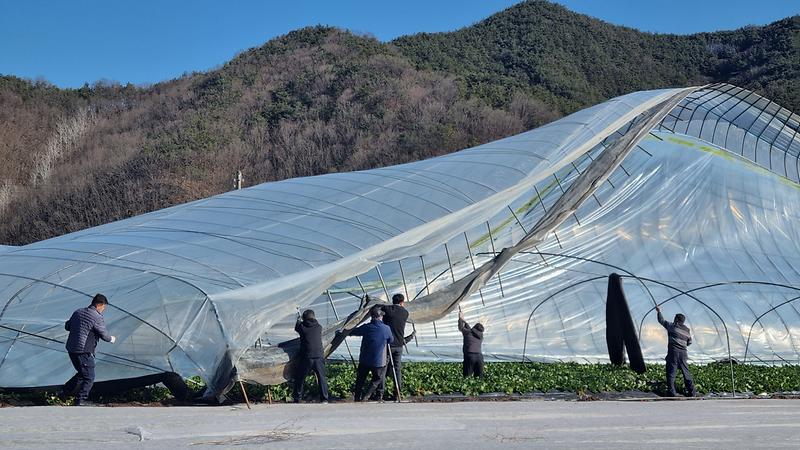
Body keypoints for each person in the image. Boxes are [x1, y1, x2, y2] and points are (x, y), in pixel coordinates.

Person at [63, 293, 116, 406]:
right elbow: (104, 335)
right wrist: (112, 339)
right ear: (99, 304)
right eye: (104, 307)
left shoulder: (78, 312)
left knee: (82, 374)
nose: (104, 309)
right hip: (83, 350)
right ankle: (80, 400)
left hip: (71, 349)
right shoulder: (96, 317)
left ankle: (64, 393)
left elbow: (67, 326)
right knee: (89, 376)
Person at [349, 305, 393, 402]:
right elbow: (391, 340)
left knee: (360, 379)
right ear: (380, 317)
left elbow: (352, 332)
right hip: (378, 361)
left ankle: (357, 397)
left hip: (364, 359)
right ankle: (366, 396)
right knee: (377, 379)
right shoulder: (386, 328)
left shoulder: (366, 327)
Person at [656, 305, 697, 397]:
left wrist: (659, 311)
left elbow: (661, 321)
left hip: (674, 352)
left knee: (671, 371)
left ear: (676, 319)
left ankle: (672, 392)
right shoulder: (687, 330)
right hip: (683, 353)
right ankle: (692, 392)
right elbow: (689, 342)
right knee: (685, 372)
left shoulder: (672, 326)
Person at [381, 293, 415, 396]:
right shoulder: (405, 313)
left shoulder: (388, 310)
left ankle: (380, 392)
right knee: (397, 369)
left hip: (388, 345)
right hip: (399, 345)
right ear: (402, 302)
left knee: (383, 368)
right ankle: (397, 392)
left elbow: (382, 307)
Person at [292, 309, 330, 403]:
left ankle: (297, 398)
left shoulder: (302, 327)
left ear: (304, 318)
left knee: (300, 377)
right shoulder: (319, 327)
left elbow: (296, 327)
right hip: (318, 356)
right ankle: (324, 399)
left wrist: (298, 319)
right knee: (321, 378)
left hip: (307, 357)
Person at [458, 310, 484, 378]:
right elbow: (471, 330)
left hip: (470, 356)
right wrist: (465, 321)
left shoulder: (468, 333)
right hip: (479, 357)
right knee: (479, 378)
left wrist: (460, 318)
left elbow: (461, 328)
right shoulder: (481, 336)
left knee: (467, 376)